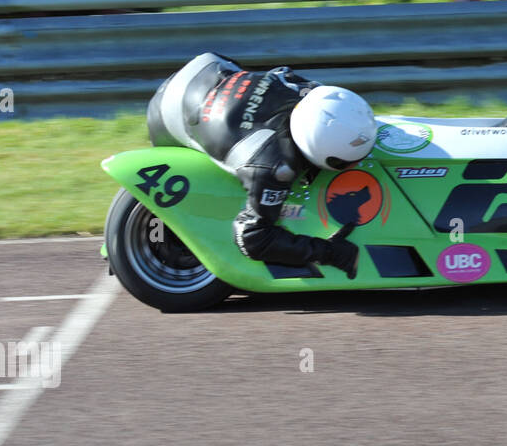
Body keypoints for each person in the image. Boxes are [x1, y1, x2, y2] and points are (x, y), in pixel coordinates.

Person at [146, 53, 377, 278]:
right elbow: (253, 239)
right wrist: (329, 252)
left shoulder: (310, 92)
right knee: (245, 205)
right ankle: (154, 233)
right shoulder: (271, 166)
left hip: (208, 68)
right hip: (168, 112)